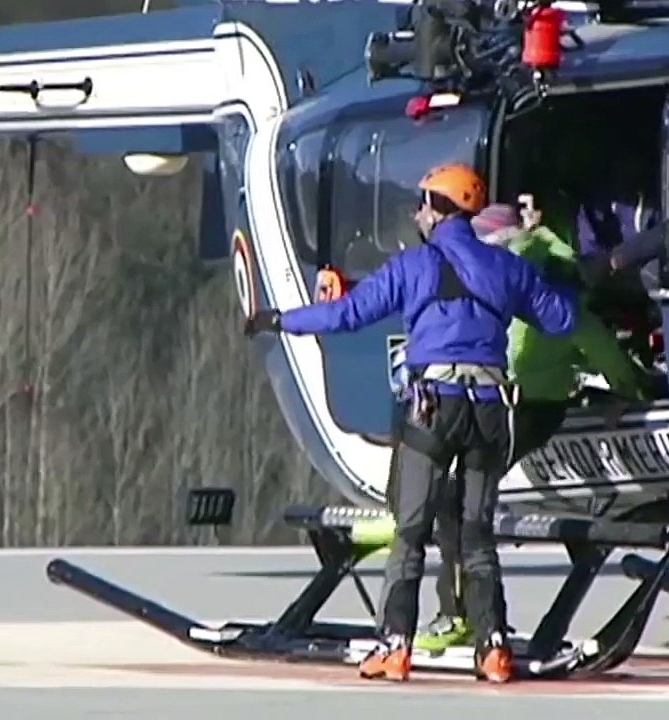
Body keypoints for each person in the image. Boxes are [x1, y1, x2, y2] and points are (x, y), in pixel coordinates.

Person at [243, 163, 579, 684]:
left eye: (424, 202)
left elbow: (346, 316)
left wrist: (280, 319)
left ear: (439, 210)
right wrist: (555, 272)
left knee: (412, 530)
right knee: (476, 533)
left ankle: (395, 645)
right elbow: (562, 319)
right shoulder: (507, 267)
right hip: (490, 409)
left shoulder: (414, 265)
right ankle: (494, 648)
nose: (418, 211)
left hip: (432, 409)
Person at [415, 200, 652, 653]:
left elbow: (592, 342)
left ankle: (466, 616)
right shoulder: (522, 272)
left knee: (460, 502)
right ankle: (469, 615)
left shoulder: (531, 282)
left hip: (525, 409)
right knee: (455, 499)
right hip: (493, 403)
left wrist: (630, 391)